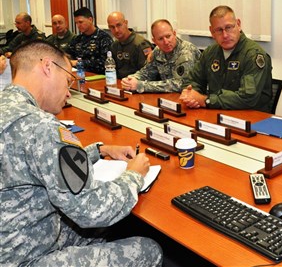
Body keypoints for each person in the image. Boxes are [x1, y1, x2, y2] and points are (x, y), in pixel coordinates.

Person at [0, 40, 163, 266]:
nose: (68, 93)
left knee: (101, 232)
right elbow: (93, 210)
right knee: (148, 249)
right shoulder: (39, 125)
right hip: (27, 256)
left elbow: (33, 164)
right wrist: (134, 175)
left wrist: (98, 150)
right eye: (68, 81)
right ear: (47, 67)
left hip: (15, 239)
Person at [179, 5, 273, 113]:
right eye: (219, 30)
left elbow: (247, 98)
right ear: (211, 31)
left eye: (229, 27)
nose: (225, 35)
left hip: (250, 118)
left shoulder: (253, 55)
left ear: (238, 24)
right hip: (216, 113)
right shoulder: (210, 52)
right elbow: (193, 80)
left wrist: (206, 100)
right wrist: (191, 95)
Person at [121, 19, 200, 93]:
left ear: (174, 34)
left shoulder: (186, 52)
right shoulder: (158, 51)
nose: (166, 42)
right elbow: (146, 73)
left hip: (193, 98)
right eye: (160, 39)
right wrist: (130, 79)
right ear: (154, 40)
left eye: (168, 36)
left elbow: (179, 84)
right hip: (169, 97)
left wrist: (141, 86)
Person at [107, 11, 153, 79]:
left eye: (119, 25)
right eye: (112, 27)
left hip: (136, 84)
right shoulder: (114, 46)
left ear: (126, 23)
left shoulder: (141, 44)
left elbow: (148, 72)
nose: (116, 30)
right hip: (120, 84)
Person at [67, 7, 113, 74]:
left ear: (90, 19)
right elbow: (68, 54)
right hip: (80, 75)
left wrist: (79, 63)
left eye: (80, 22)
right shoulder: (77, 39)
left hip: (98, 77)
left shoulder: (103, 38)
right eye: (76, 23)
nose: (78, 25)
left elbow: (105, 62)